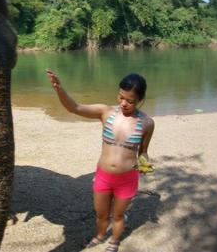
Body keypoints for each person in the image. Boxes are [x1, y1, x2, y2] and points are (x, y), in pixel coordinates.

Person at [46, 70, 155, 252]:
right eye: (121, 97)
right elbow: (75, 108)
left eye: (130, 101)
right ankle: (100, 235)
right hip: (103, 176)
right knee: (101, 215)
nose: (123, 103)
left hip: (127, 179)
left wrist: (145, 163)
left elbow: (143, 152)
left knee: (118, 216)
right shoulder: (106, 112)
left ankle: (114, 240)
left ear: (140, 99)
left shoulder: (147, 123)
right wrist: (60, 90)